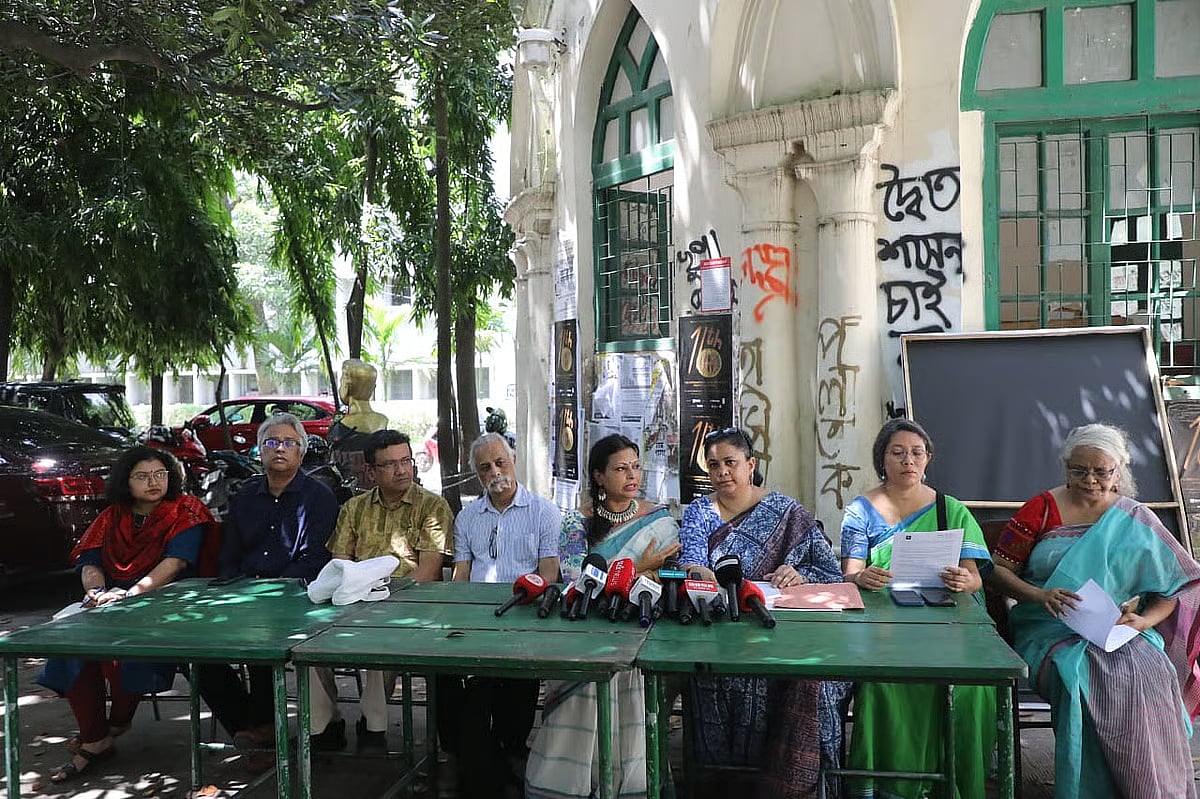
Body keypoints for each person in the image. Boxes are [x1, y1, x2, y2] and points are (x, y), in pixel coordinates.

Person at [989, 423, 1200, 799]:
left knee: (1150, 672)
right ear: (1066, 468)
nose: (1089, 480)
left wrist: (1144, 620)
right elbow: (998, 571)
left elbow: (1175, 587)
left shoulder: (1133, 517)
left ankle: (1150, 786)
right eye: (1079, 470)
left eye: (1101, 472)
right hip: (1047, 627)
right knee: (1082, 676)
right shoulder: (1042, 509)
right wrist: (1039, 595)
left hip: (1117, 629)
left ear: (1118, 472)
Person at [679, 427, 845, 799]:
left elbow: (829, 572)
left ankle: (794, 781)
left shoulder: (786, 512)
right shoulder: (699, 512)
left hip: (783, 633)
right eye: (714, 465)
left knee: (810, 684)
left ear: (751, 465)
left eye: (731, 462)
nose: (722, 472)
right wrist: (699, 573)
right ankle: (723, 786)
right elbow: (692, 561)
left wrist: (798, 574)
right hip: (719, 631)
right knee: (709, 678)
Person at [38, 447, 216, 783]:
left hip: (168, 604)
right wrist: (96, 592)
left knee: (119, 650)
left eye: (160, 474)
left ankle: (117, 722)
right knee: (71, 645)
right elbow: (90, 561)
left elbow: (176, 563)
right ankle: (95, 737)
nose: (153, 482)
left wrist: (130, 595)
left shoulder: (186, 510)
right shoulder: (111, 516)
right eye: (142, 476)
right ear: (126, 481)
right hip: (111, 601)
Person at [839, 417, 995, 799]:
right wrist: (862, 577)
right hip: (886, 623)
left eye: (916, 452)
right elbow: (850, 573)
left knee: (972, 689)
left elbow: (975, 579)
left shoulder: (950, 508)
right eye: (898, 453)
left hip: (947, 621)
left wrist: (964, 580)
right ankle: (890, 787)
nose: (908, 460)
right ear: (882, 459)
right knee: (882, 685)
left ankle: (956, 786)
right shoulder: (861, 510)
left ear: (928, 459)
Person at [525, 433, 681, 799]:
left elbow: (667, 575)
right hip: (583, 633)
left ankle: (630, 788)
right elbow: (577, 579)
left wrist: (643, 573)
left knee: (632, 718)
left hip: (636, 629)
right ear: (599, 476)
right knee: (579, 713)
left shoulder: (657, 518)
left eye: (636, 467)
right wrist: (639, 566)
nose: (632, 475)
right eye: (621, 469)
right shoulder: (575, 523)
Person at [197, 413, 339, 750]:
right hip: (244, 596)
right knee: (197, 653)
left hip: (298, 597)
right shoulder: (245, 496)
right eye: (271, 442)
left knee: (262, 637)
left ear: (301, 452)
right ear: (259, 451)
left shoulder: (319, 497)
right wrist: (235, 590)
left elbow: (315, 560)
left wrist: (267, 595)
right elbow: (230, 556)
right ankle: (252, 728)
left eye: (289, 443)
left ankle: (260, 731)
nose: (280, 449)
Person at [315, 428, 453, 752]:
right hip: (353, 599)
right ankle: (323, 725)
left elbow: (428, 573)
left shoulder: (432, 507)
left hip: (409, 605)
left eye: (406, 461)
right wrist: (354, 596)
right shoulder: (354, 508)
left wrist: (382, 603)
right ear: (371, 472)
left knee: (381, 635)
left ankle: (373, 726)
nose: (402, 470)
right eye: (391, 464)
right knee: (309, 642)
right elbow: (339, 564)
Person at [450, 432, 561, 798]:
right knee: (469, 690)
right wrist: (460, 620)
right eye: (485, 467)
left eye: (501, 462)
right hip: (478, 618)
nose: (495, 472)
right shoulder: (467, 517)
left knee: (516, 687)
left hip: (525, 615)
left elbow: (549, 575)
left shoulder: (544, 511)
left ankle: (510, 753)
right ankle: (478, 767)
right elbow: (461, 575)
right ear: (477, 474)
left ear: (514, 460)